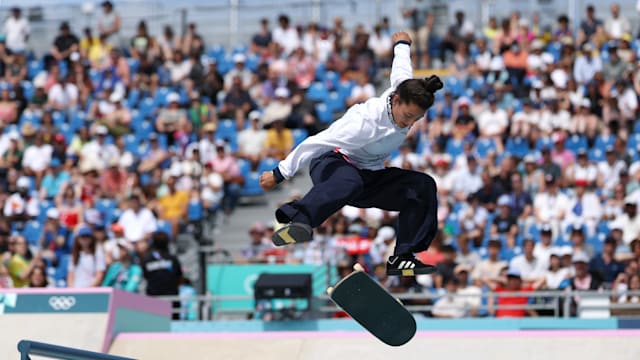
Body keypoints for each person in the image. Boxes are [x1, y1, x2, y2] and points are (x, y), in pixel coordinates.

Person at [260, 32, 443, 276]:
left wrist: (402, 44)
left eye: (416, 119)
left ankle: (403, 256)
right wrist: (280, 173)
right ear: (396, 100)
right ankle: (300, 219)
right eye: (407, 116)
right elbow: (317, 142)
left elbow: (401, 67)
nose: (407, 123)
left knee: (423, 185)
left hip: (369, 175)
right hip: (331, 162)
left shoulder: (406, 90)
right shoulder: (364, 121)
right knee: (350, 180)